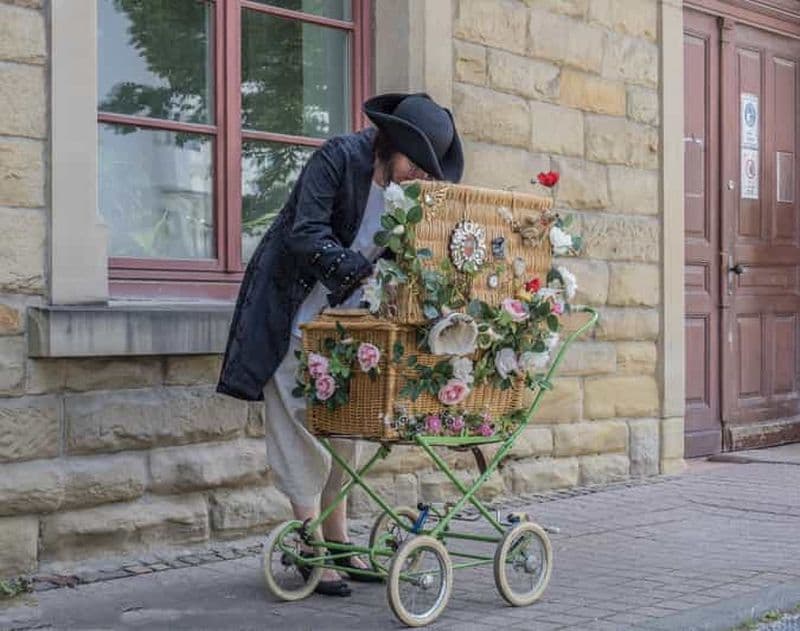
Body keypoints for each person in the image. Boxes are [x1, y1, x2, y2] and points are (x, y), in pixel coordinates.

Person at [217, 92, 464, 596]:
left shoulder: (407, 190)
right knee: (300, 422)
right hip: (292, 310)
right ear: (391, 144)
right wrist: (367, 274)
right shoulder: (338, 158)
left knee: (343, 426)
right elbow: (304, 235)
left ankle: (339, 538)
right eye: (415, 164)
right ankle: (310, 545)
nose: (419, 175)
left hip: (350, 322)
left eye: (427, 169)